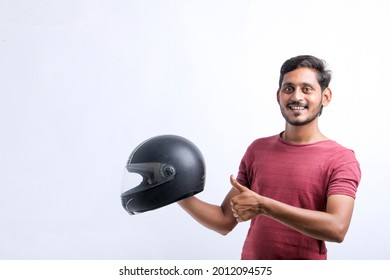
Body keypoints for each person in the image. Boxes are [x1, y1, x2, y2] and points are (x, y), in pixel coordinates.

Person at [178, 55, 361, 260]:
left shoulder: (341, 158)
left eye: (306, 89)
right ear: (278, 95)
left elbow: (337, 228)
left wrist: (264, 206)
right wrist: (174, 192)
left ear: (325, 97)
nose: (296, 97)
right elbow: (224, 221)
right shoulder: (258, 150)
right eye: (289, 88)